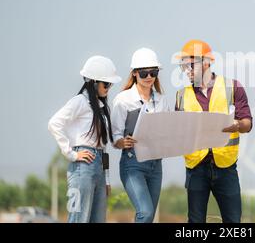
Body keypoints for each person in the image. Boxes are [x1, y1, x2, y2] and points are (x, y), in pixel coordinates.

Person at [175, 39, 253, 223]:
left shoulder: (232, 87)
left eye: (191, 64)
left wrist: (237, 125)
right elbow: (178, 133)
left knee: (233, 221)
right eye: (183, 66)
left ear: (207, 62)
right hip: (196, 168)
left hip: (225, 166)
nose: (187, 70)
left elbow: (247, 124)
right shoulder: (180, 96)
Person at [48, 55, 121, 223]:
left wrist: (107, 178)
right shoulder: (79, 101)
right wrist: (71, 154)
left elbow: (103, 146)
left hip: (99, 168)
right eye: (106, 84)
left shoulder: (102, 108)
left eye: (110, 84)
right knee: (78, 218)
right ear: (93, 82)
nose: (109, 88)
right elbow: (54, 123)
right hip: (82, 167)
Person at [111, 48, 170, 223]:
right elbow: (114, 135)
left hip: (155, 164)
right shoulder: (123, 100)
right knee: (145, 212)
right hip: (133, 164)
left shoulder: (162, 100)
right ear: (135, 73)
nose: (149, 77)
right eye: (144, 73)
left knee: (149, 216)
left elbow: (167, 130)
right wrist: (122, 141)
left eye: (154, 72)